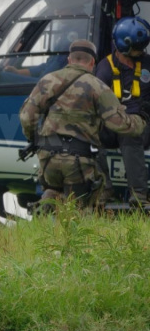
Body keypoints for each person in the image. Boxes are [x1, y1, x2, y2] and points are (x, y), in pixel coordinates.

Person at [19, 40, 147, 209]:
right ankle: (88, 203)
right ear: (92, 63)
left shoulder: (47, 81)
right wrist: (142, 119)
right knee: (82, 209)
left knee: (55, 196)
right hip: (78, 164)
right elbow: (121, 125)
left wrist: (34, 139)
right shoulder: (98, 86)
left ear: (69, 60)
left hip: (48, 161)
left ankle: (50, 201)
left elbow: (26, 117)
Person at [94, 16, 150, 204]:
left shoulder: (147, 64)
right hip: (112, 123)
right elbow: (96, 103)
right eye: (136, 49)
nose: (140, 53)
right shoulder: (104, 69)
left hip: (141, 123)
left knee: (130, 132)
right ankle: (104, 190)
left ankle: (139, 196)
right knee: (90, 134)